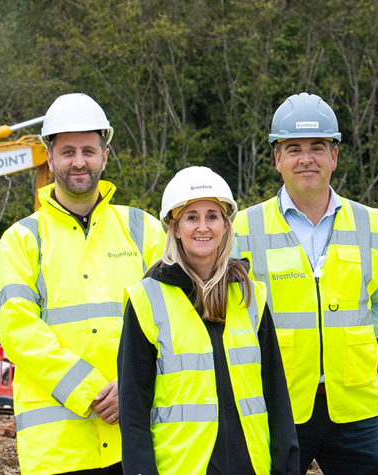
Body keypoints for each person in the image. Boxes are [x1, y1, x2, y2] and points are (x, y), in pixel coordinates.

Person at [0, 93, 165, 475]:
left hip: (134, 442)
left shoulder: (144, 230)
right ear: (49, 158)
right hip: (57, 452)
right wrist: (90, 391)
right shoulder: (21, 241)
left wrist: (131, 385)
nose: (79, 161)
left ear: (105, 156)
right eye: (68, 151)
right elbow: (18, 330)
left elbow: (174, 321)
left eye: (88, 150)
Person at [233, 92, 378, 474]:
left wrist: (343, 342)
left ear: (334, 156)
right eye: (293, 149)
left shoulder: (369, 224)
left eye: (317, 147)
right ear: (277, 159)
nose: (306, 158)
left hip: (355, 407)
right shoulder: (244, 228)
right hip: (277, 402)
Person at [119, 166, 299, 475]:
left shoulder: (250, 296)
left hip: (251, 467)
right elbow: (133, 410)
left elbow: (277, 396)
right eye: (192, 217)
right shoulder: (146, 299)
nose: (203, 227)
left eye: (212, 216)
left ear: (226, 226)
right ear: (175, 228)